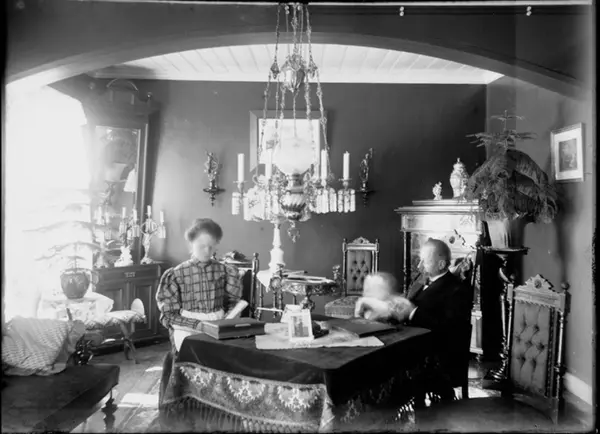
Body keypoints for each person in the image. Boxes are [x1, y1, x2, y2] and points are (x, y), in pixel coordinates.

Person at [355, 238, 473, 400]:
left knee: (380, 359)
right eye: (420, 260)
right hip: (411, 341)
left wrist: (412, 312)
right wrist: (389, 309)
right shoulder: (419, 281)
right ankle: (370, 401)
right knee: (369, 348)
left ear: (441, 264)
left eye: (425, 261)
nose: (419, 266)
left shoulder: (457, 289)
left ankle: (383, 403)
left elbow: (449, 330)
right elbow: (408, 307)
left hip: (435, 354)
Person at [156, 218, 242, 351]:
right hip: (187, 327)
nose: (207, 251)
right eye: (202, 246)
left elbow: (232, 302)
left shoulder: (225, 271)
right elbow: (169, 314)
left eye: (211, 246)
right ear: (191, 244)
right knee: (192, 352)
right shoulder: (177, 273)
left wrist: (227, 319)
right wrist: (198, 325)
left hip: (218, 325)